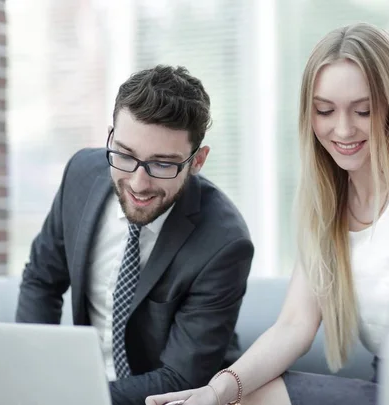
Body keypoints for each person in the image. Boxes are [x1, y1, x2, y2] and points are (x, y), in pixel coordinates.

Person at [145, 22, 389, 405]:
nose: (344, 129)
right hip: (387, 386)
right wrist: (217, 390)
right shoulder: (327, 204)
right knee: (245, 396)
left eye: (363, 110)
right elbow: (294, 326)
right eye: (325, 110)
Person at [15, 65, 255, 405]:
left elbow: (180, 378)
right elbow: (41, 279)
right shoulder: (81, 176)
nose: (139, 184)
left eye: (162, 164)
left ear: (198, 160)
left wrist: (70, 395)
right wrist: (33, 371)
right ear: (111, 137)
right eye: (125, 155)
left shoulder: (224, 242)